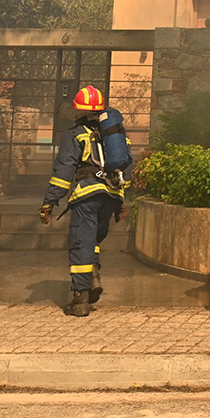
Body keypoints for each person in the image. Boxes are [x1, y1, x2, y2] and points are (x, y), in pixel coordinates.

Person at [39, 86, 129, 317]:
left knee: (81, 243)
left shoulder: (74, 134)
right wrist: (120, 204)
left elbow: (63, 174)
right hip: (111, 196)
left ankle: (80, 299)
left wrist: (49, 202)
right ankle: (94, 275)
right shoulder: (114, 135)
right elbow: (122, 168)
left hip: (87, 196)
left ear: (77, 110)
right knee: (94, 240)